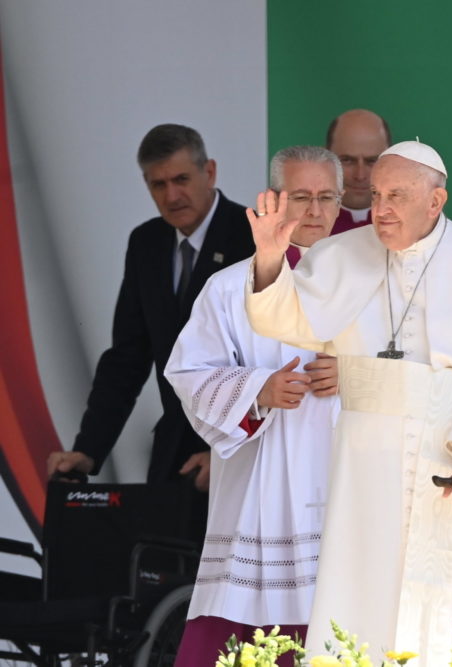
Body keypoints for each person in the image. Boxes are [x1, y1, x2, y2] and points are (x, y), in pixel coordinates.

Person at [245, 141, 452, 664]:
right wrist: (272, 257)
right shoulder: (340, 255)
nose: (380, 209)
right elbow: (286, 320)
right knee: (368, 595)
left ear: (436, 201)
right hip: (371, 467)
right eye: (375, 195)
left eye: (398, 196)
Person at [165, 146, 344, 664]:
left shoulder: (372, 282)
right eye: (301, 197)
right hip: (262, 484)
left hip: (347, 478)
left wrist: (358, 376)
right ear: (274, 203)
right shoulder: (227, 289)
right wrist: (257, 392)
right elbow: (187, 373)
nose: (314, 211)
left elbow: (415, 367)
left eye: (326, 197)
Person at [46, 124, 255, 491]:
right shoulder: (146, 243)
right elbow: (127, 357)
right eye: (158, 184)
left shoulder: (252, 235)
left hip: (243, 451)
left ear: (210, 172)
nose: (172, 195)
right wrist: (88, 450)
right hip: (174, 447)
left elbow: (266, 358)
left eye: (181, 179)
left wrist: (228, 450)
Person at [325, 108, 391, 234]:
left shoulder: (414, 228)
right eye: (347, 160)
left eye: (371, 161)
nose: (360, 175)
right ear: (326, 157)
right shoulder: (298, 228)